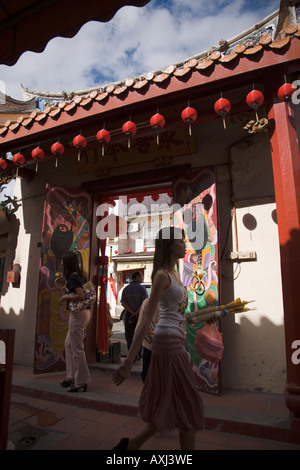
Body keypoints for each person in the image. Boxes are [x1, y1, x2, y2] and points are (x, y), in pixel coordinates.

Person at [112, 226, 213, 450]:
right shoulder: (161, 275)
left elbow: (180, 314)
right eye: (180, 240)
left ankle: (131, 446)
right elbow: (146, 320)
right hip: (167, 344)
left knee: (173, 403)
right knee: (188, 403)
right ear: (168, 245)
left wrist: (208, 315)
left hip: (177, 341)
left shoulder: (176, 273)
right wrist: (128, 362)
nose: (184, 244)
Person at [59, 251, 91, 393]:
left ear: (67, 264)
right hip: (83, 313)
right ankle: (71, 377)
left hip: (78, 314)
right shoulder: (80, 276)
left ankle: (81, 381)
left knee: (77, 347)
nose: (60, 264)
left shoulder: (73, 277)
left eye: (62, 261)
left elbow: (81, 295)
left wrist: (64, 297)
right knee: (69, 344)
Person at [121, 271, 148, 355]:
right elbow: (144, 303)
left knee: (129, 335)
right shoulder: (142, 289)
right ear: (136, 277)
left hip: (129, 315)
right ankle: (138, 354)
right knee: (139, 335)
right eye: (141, 277)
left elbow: (123, 303)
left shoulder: (126, 289)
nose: (142, 278)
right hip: (139, 315)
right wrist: (136, 312)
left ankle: (131, 353)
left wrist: (131, 312)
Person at [134, 298, 159, 383]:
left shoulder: (147, 302)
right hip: (165, 344)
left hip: (149, 343)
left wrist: (136, 344)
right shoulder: (170, 301)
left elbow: (140, 323)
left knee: (147, 373)